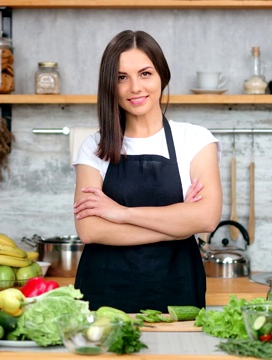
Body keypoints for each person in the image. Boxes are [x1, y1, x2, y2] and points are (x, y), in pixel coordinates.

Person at [72, 30, 222, 313]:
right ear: (110, 85)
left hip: (177, 293)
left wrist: (122, 213)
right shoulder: (93, 147)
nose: (134, 88)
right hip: (105, 294)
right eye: (121, 77)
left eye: (145, 74)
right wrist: (176, 228)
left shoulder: (195, 139)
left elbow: (206, 218)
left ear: (162, 76)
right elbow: (90, 229)